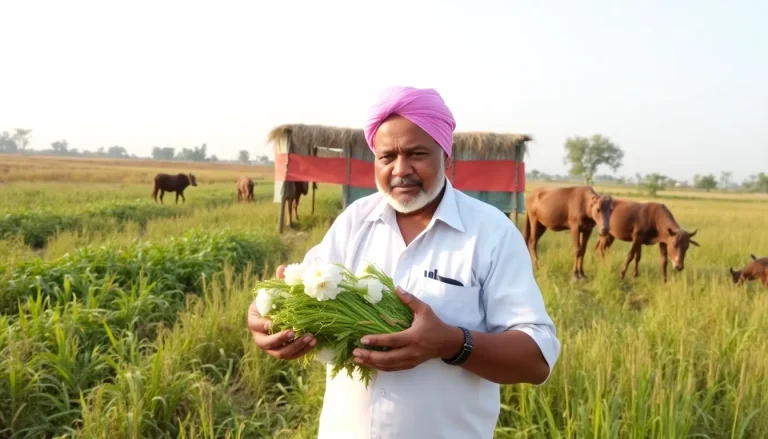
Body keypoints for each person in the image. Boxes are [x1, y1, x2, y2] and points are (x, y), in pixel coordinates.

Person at [248, 86, 561, 439]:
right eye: (387, 157)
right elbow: (299, 292)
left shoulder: (491, 233)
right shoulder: (354, 221)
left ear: (447, 156)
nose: (400, 170)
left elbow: (537, 359)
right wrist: (266, 316)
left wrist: (452, 343)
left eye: (416, 154)